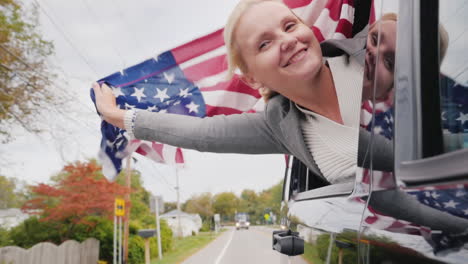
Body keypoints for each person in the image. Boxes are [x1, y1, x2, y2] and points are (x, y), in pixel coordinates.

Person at [93, 0, 393, 185]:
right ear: (252, 78)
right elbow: (201, 133)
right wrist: (117, 116)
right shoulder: (279, 126)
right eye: (264, 44)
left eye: (290, 26)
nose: (286, 40)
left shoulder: (373, 50)